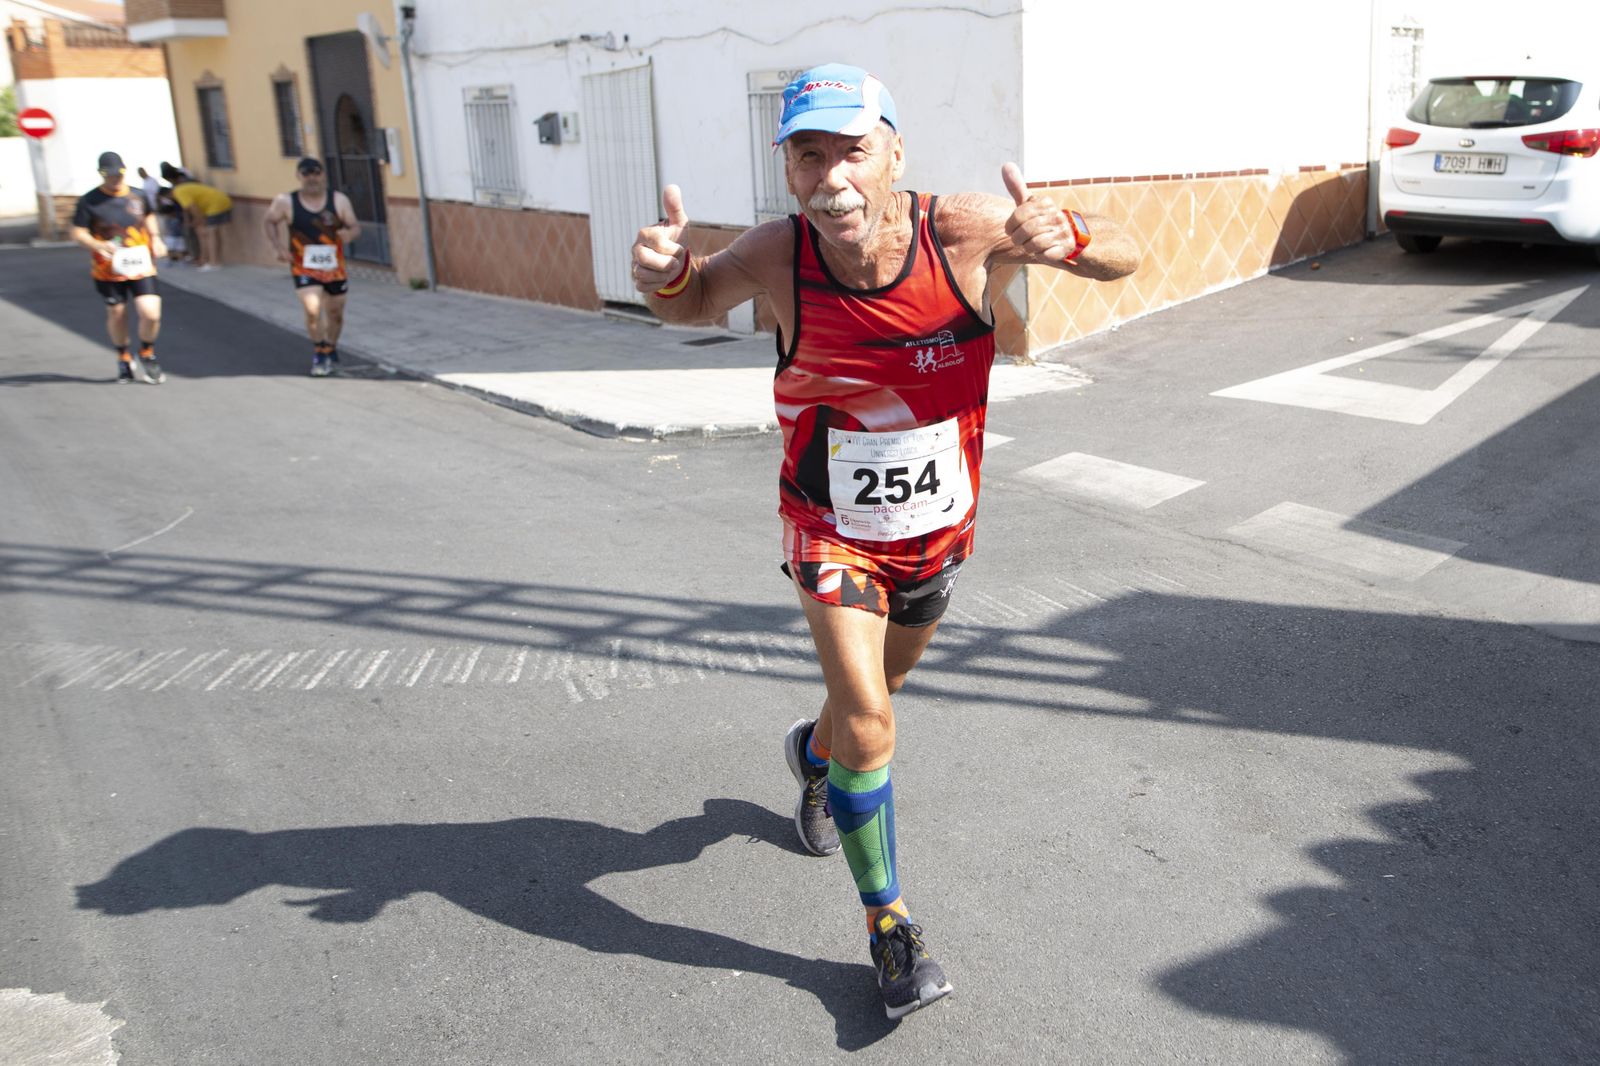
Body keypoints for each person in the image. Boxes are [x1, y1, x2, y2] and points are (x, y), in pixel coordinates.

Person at [631, 63, 1140, 1020]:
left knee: (877, 695)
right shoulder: (780, 254)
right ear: (788, 170)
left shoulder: (966, 232)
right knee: (872, 712)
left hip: (937, 533)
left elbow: (1124, 253)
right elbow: (693, 303)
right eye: (808, 155)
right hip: (829, 529)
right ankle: (890, 927)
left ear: (895, 153)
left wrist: (1068, 233)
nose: (833, 178)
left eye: (853, 151)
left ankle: (812, 756)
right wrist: (664, 278)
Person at [69, 151, 169, 384]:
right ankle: (123, 356)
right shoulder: (90, 201)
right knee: (117, 314)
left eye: (119, 173)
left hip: (141, 264)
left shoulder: (138, 195)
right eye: (109, 175)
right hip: (108, 268)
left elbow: (149, 216)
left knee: (151, 313)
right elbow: (77, 231)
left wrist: (156, 238)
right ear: (101, 175)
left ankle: (146, 353)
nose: (115, 178)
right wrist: (96, 244)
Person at [261, 157, 361, 376]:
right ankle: (320, 351)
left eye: (315, 172)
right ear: (299, 176)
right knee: (312, 308)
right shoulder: (286, 201)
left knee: (335, 313)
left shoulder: (338, 200)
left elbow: (354, 226)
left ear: (323, 174)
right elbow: (269, 220)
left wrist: (349, 234)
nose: (311, 178)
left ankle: (331, 346)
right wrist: (278, 247)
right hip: (303, 266)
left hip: (334, 267)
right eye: (306, 173)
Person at [169, 175, 234, 270]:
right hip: (220, 201)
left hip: (215, 205)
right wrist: (193, 221)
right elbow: (187, 209)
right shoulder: (181, 189)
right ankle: (212, 261)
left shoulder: (179, 193)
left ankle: (214, 263)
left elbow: (193, 208)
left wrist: (200, 221)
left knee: (211, 233)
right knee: (212, 232)